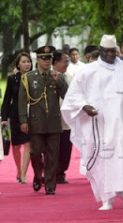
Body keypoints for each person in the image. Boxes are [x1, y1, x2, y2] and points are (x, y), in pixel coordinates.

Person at [61, 34, 123, 210]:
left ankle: (122, 188)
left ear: (116, 51)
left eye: (113, 51)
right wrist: (84, 107)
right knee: (104, 159)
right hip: (100, 124)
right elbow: (74, 95)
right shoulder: (87, 71)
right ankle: (108, 197)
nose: (110, 54)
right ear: (100, 51)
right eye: (106, 51)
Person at [18, 46, 68, 195]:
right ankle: (38, 174)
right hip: (36, 121)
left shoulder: (57, 76)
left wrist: (59, 81)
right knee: (35, 153)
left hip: (53, 121)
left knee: (53, 155)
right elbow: (22, 101)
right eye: (43, 58)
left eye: (49, 58)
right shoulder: (28, 77)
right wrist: (23, 120)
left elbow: (67, 94)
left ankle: (50, 185)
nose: (47, 61)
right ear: (38, 60)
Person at [1, 52, 32, 183]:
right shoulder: (12, 78)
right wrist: (3, 117)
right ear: (18, 64)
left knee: (28, 143)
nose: (27, 64)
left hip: (31, 114)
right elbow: (7, 99)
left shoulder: (34, 77)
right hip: (15, 115)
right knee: (16, 146)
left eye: (28, 61)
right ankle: (19, 171)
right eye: (24, 62)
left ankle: (24, 173)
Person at [52, 50, 72, 184]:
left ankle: (60, 172)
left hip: (66, 120)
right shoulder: (47, 75)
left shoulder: (70, 77)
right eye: (65, 61)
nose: (67, 64)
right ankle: (50, 171)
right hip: (51, 119)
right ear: (56, 62)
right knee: (52, 147)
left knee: (65, 148)